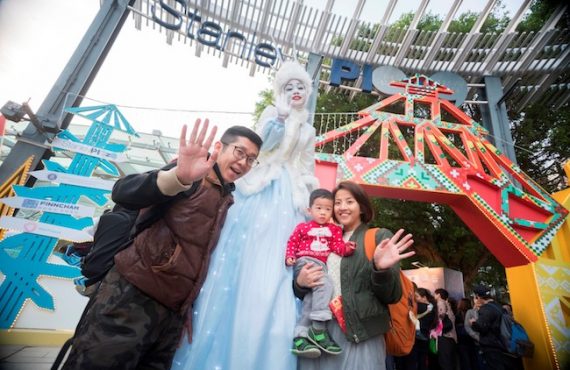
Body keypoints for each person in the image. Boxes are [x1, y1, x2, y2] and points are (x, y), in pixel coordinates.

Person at [61, 120, 263, 370]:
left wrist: (185, 307)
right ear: (220, 147)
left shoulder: (226, 196)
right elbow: (123, 191)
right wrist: (178, 177)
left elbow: (197, 256)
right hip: (131, 296)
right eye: (240, 152)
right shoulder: (192, 176)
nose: (243, 163)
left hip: (171, 315)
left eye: (251, 159)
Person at [171, 60, 319, 370]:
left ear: (308, 92)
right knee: (236, 258)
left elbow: (306, 166)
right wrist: (277, 118)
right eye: (289, 87)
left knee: (277, 270)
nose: (295, 92)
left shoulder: (309, 129)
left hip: (288, 195)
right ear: (281, 91)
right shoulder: (270, 113)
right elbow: (261, 146)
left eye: (300, 87)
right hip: (260, 187)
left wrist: (307, 193)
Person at [294, 181, 415, 370]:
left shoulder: (378, 237)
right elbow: (313, 287)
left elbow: (392, 295)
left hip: (361, 332)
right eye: (338, 202)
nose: (342, 207)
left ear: (361, 206)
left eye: (349, 202)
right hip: (323, 329)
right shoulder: (325, 237)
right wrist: (300, 284)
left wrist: (380, 269)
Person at [286, 188, 356, 358]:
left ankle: (300, 338)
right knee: (326, 284)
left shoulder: (334, 230)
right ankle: (318, 329)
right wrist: (290, 256)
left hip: (321, 265)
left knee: (310, 300)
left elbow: (337, 247)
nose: (323, 212)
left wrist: (347, 249)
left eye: (327, 209)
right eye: (319, 208)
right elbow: (292, 242)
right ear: (310, 210)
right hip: (305, 262)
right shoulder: (303, 227)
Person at [471, 285, 522, 370]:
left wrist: (473, 323)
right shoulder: (498, 306)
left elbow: (481, 327)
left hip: (492, 347)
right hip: (503, 344)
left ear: (478, 297)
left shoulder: (485, 309)